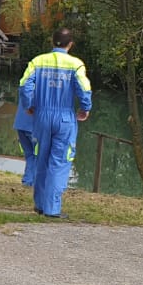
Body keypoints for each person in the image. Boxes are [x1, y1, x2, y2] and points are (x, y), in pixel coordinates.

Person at [18, 27, 92, 218]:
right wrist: (85, 108)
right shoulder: (76, 64)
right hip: (64, 117)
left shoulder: (38, 61)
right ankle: (52, 209)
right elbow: (84, 89)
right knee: (60, 161)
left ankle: (40, 205)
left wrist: (29, 105)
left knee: (41, 158)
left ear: (52, 41)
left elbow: (24, 84)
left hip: (41, 116)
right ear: (71, 44)